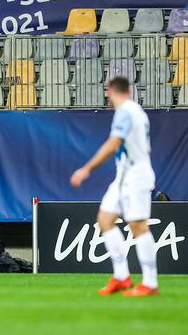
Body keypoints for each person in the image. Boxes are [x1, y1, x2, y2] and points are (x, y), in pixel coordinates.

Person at [71, 76, 159, 297]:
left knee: (138, 225)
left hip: (135, 175)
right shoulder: (135, 110)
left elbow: (113, 143)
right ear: (129, 90)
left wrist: (86, 169)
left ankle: (150, 282)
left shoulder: (126, 111)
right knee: (105, 219)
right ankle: (121, 276)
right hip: (124, 175)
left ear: (109, 92)